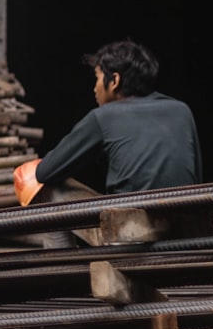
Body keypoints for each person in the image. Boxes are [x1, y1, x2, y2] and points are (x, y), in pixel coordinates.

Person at [14, 39, 202, 206]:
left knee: (45, 182)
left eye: (97, 77)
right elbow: (196, 176)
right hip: (187, 216)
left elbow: (46, 172)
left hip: (131, 225)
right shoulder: (182, 110)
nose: (94, 88)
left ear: (114, 81)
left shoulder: (104, 116)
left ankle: (58, 246)